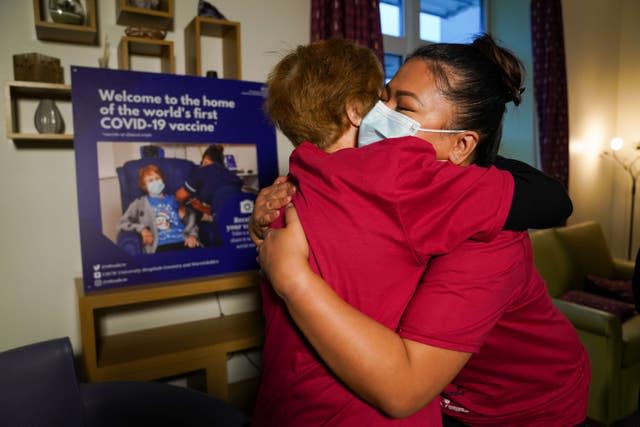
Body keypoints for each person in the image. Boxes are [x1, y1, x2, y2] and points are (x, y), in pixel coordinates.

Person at [251, 37, 585, 426]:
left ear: (462, 144)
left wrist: (291, 275)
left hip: (519, 409)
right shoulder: (366, 183)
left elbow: (403, 389)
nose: (379, 115)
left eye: (403, 108)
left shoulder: (491, 239)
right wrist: (270, 214)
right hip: (436, 395)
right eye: (384, 99)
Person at [118, 164, 199, 253]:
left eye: (157, 178)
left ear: (163, 180)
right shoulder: (139, 204)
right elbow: (123, 222)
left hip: (184, 241)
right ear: (144, 186)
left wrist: (192, 235)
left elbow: (191, 219)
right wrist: (142, 229)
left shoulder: (175, 199)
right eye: (151, 180)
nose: (155, 182)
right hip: (161, 245)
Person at [175, 144, 244, 220]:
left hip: (220, 221)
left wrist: (180, 208)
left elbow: (180, 196)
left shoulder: (200, 172)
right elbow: (221, 208)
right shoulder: (234, 177)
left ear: (206, 159)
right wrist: (201, 207)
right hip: (239, 219)